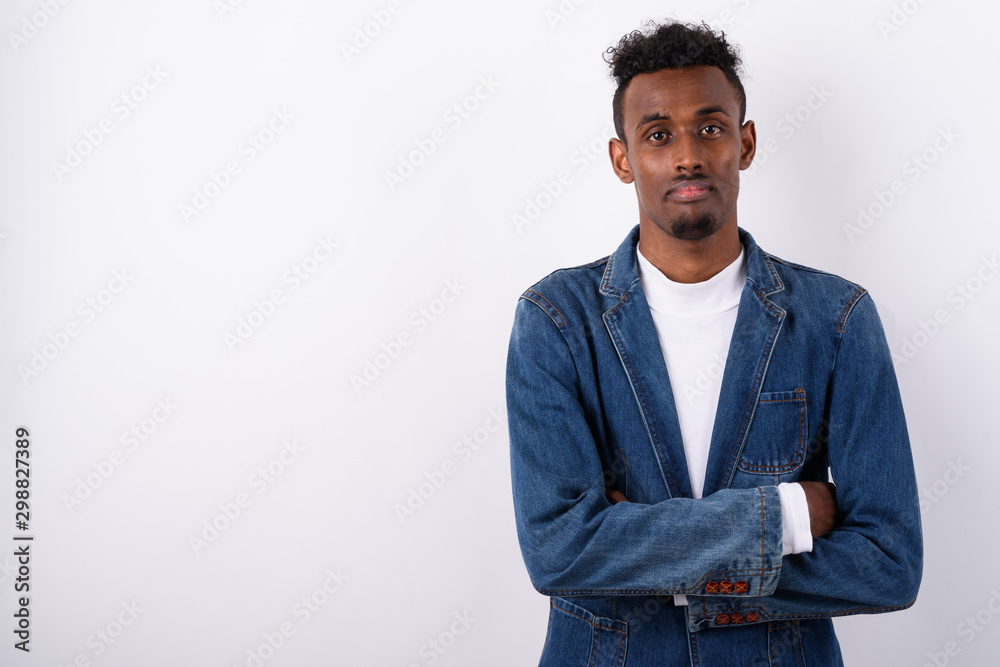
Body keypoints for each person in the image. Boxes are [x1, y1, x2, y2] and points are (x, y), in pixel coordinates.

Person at [505, 20, 922, 667]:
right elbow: (559, 549)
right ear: (623, 158)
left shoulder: (836, 317)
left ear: (745, 142)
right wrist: (784, 517)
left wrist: (649, 558)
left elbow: (888, 561)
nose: (687, 155)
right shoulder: (556, 320)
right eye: (658, 134)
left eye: (710, 126)